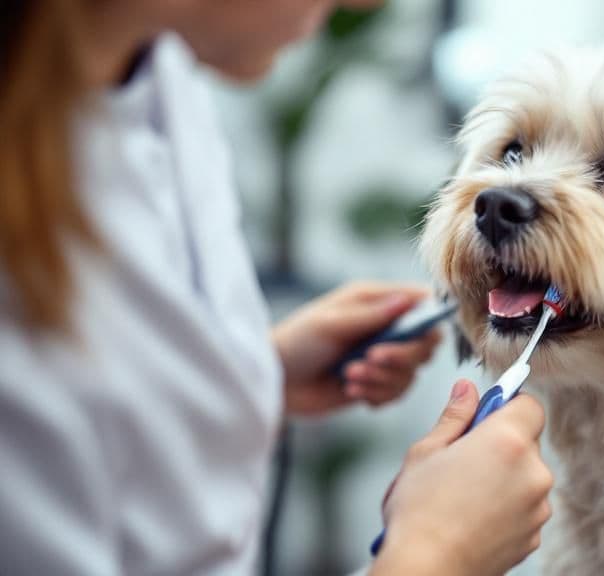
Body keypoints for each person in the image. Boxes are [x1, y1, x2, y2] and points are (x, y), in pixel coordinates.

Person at [0, 1, 553, 575]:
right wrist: (436, 553)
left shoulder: (160, 78)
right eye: (512, 153)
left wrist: (245, 379)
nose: (366, 5)